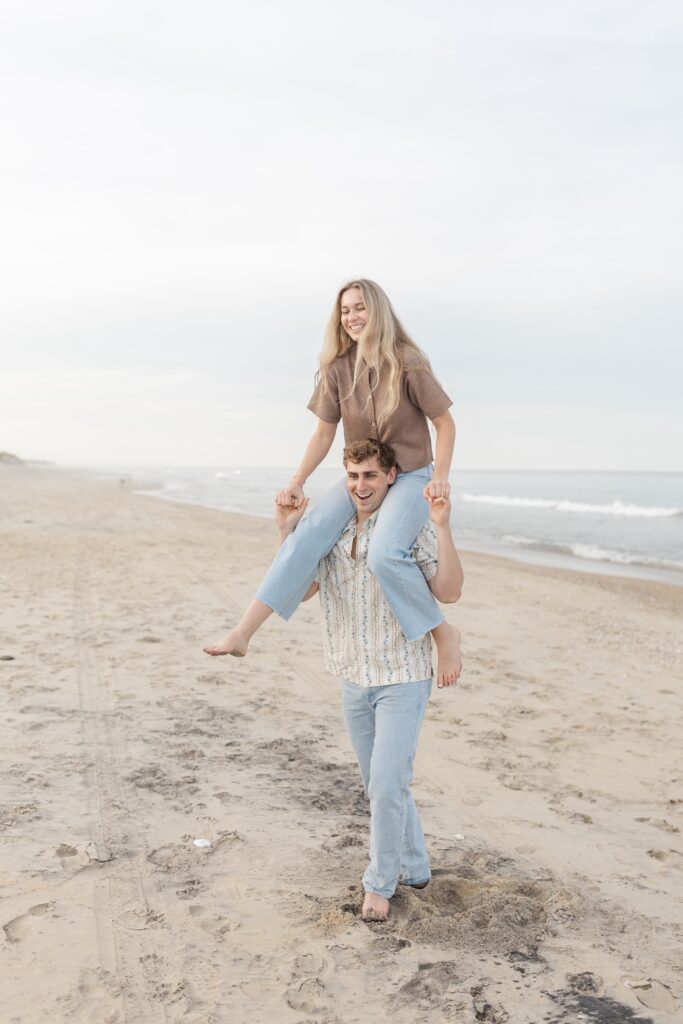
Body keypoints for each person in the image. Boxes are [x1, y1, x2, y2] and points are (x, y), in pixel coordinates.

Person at [204, 278, 460, 686]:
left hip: (409, 475)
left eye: (359, 308)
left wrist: (440, 478)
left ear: (377, 311)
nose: (352, 317)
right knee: (304, 537)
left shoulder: (408, 361)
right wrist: (298, 481)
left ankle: (441, 632)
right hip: (361, 478)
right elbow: (323, 433)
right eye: (345, 311)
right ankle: (243, 632)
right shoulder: (337, 369)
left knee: (384, 553)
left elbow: (444, 423)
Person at [274, 438, 463, 922]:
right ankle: (416, 868)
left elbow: (449, 590)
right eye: (353, 476)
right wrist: (285, 531)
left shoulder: (402, 530)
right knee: (383, 782)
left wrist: (442, 526)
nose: (361, 486)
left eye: (371, 476)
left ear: (391, 477)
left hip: (403, 673)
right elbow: (307, 586)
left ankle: (379, 884)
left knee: (385, 782)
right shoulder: (336, 530)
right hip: (353, 677)